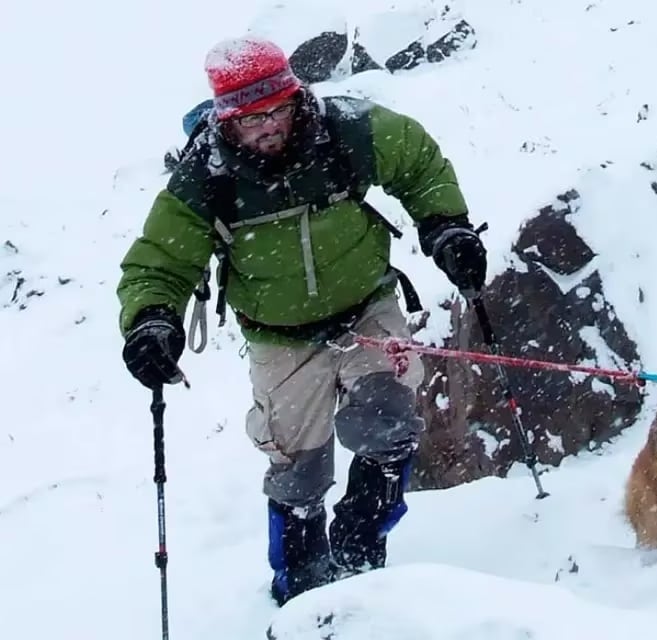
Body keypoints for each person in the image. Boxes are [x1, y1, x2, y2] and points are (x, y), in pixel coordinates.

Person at [116, 35, 487, 606]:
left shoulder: (346, 130)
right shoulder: (205, 175)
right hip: (280, 337)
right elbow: (161, 261)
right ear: (225, 120)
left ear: (296, 96)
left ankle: (362, 548)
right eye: (249, 119)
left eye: (278, 110)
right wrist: (151, 321)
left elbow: (419, 163)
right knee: (297, 470)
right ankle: (303, 587)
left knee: (389, 423)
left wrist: (447, 227)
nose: (267, 126)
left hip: (368, 305)